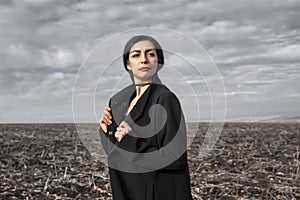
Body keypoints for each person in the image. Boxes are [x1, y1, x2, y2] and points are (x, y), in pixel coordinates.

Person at [99, 35, 192, 200]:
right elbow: (116, 154)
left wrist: (129, 140)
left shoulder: (164, 99)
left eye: (151, 54)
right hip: (127, 188)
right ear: (128, 64)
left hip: (159, 192)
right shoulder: (119, 101)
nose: (144, 60)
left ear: (158, 61)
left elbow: (175, 158)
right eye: (136, 55)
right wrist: (108, 131)